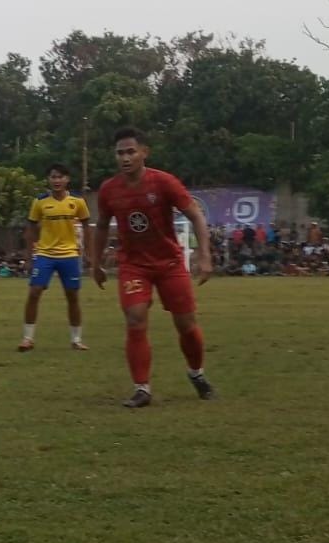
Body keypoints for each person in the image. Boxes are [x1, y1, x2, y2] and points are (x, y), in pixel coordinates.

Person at [91, 127, 216, 408]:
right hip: (133, 265)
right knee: (135, 319)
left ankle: (196, 374)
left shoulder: (164, 182)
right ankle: (142, 388)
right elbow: (100, 227)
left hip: (169, 263)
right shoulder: (109, 190)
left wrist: (204, 254)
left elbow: (195, 214)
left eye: (130, 151)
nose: (125, 158)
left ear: (144, 153)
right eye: (120, 153)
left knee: (185, 324)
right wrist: (95, 263)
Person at [19, 163, 91, 353]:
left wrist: (89, 253)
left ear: (67, 179)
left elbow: (86, 226)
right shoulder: (40, 201)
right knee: (34, 292)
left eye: (60, 177)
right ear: (48, 180)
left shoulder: (77, 201)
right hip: (45, 254)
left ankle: (76, 340)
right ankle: (27, 339)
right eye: (53, 177)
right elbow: (31, 228)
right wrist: (29, 256)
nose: (56, 180)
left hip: (69, 255)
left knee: (72, 296)